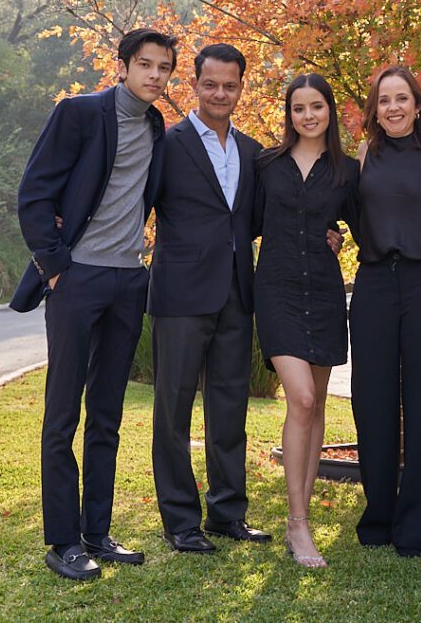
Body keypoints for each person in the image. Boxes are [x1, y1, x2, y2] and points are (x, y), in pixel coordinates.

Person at [11, 28, 176, 580]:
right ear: (124, 66)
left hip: (130, 283)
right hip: (78, 279)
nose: (155, 75)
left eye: (164, 68)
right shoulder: (80, 113)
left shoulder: (157, 127)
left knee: (107, 413)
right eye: (146, 65)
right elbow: (34, 192)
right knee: (63, 415)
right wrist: (56, 268)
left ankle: (97, 532)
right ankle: (63, 541)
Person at [148, 43, 271, 553]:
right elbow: (137, 202)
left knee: (230, 409)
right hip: (180, 294)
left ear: (241, 87)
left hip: (236, 295)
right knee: (172, 411)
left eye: (230, 85)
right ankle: (181, 522)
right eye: (211, 84)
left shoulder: (252, 151)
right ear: (194, 85)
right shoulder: (168, 144)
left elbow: (259, 220)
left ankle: (227, 514)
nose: (220, 93)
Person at [253, 73, 360, 568]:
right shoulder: (266, 165)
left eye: (317, 106)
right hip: (275, 291)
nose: (308, 115)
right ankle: (297, 525)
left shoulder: (347, 170)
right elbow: (244, 222)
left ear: (329, 111)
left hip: (323, 291)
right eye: (299, 108)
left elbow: (369, 226)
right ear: (289, 114)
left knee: (315, 406)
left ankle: (304, 514)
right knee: (300, 396)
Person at [349, 64, 421, 557]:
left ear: (417, 105)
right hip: (372, 283)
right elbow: (352, 214)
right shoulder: (364, 154)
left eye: (402, 98)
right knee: (371, 400)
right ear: (375, 109)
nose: (393, 107)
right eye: (384, 99)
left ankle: (419, 528)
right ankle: (379, 518)